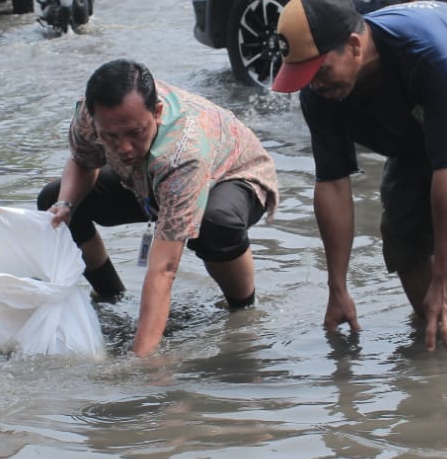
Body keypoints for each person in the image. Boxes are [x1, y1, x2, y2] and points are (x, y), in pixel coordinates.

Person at [271, 0, 447, 351]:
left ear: (353, 45)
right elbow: (332, 185)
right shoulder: (319, 92)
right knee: (400, 226)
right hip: (414, 114)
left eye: (319, 71)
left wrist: (446, 274)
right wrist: (338, 289)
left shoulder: (429, 54)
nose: (315, 85)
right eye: (304, 76)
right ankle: (441, 340)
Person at [38, 60, 279, 356]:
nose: (123, 147)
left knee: (214, 225)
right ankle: (111, 297)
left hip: (234, 176)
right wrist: (65, 205)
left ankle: (241, 310)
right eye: (110, 136)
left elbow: (164, 268)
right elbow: (83, 161)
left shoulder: (182, 152)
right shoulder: (90, 116)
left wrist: (141, 359)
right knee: (54, 200)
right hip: (146, 181)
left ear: (158, 113)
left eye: (134, 133)